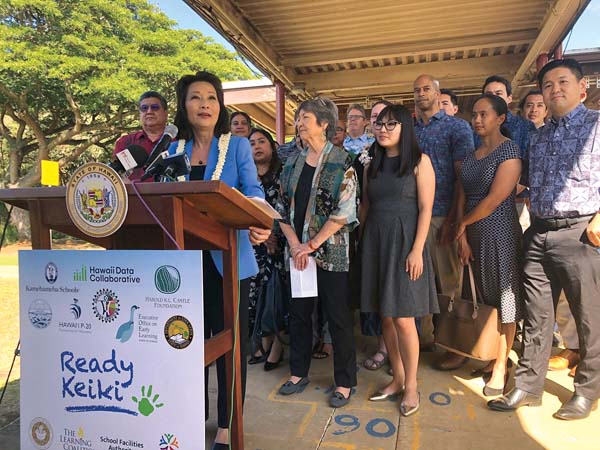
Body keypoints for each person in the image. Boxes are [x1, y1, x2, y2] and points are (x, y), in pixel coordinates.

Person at [488, 59, 600, 421]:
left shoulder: (597, 125)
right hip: (538, 232)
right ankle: (528, 387)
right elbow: (527, 184)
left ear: (581, 88)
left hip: (581, 232)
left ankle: (587, 391)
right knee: (537, 317)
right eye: (548, 85)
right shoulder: (538, 136)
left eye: (562, 82)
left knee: (589, 317)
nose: (555, 90)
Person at [167, 71, 271, 450]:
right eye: (196, 97)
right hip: (184, 264)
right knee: (187, 341)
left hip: (230, 261)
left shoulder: (238, 146)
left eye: (211, 97)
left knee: (231, 345)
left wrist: (260, 222)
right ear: (184, 106)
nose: (205, 104)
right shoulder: (173, 149)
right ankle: (193, 416)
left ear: (220, 105)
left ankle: (227, 424)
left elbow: (254, 192)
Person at [276, 96, 358, 408]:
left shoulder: (342, 160)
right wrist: (295, 245)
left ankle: (345, 382)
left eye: (305, 118)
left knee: (337, 317)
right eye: (298, 118)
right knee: (299, 314)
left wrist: (310, 245)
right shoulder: (292, 163)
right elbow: (281, 207)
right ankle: (298, 373)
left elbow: (345, 211)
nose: (299, 123)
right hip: (298, 253)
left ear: (324, 124)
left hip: (330, 253)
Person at [361, 104, 437, 417]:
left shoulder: (420, 162)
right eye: (379, 124)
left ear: (405, 128)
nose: (383, 129)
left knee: (404, 318)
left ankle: (412, 386)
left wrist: (417, 249)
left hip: (406, 243)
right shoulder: (370, 165)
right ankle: (397, 378)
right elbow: (366, 206)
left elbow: (426, 209)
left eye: (391, 124)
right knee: (386, 316)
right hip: (375, 242)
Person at [456, 93, 523, 396]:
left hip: (499, 233)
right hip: (472, 233)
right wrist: (462, 234)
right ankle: (487, 354)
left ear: (501, 118)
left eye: (484, 114)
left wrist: (462, 224)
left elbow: (494, 199)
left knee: (505, 300)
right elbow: (462, 193)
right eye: (475, 114)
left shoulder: (509, 150)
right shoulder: (473, 155)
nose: (478, 120)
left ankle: (501, 365)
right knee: (480, 298)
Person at [413, 74, 474, 367]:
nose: (421, 93)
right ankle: (422, 340)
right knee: (418, 281)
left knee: (449, 285)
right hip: (413, 217)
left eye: (427, 88)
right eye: (416, 90)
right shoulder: (409, 130)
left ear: (438, 94)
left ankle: (453, 345)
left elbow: (464, 176)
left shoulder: (457, 127)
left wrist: (455, 218)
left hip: (443, 215)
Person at [357, 99, 393, 371]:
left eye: (386, 119)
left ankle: (404, 357)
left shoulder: (414, 157)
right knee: (381, 297)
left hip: (402, 234)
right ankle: (384, 348)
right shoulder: (367, 157)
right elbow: (364, 201)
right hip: (374, 233)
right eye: (375, 119)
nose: (381, 125)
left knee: (402, 301)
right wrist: (359, 234)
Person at [247, 128, 287, 371]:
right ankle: (261, 339)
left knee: (277, 294)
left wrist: (273, 234)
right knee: (256, 294)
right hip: (254, 242)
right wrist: (262, 235)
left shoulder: (283, 174)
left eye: (262, 141)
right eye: (252, 143)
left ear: (272, 147)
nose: (257, 146)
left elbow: (287, 208)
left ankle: (277, 345)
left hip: (281, 242)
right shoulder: (247, 177)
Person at [113, 91, 168, 181]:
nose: (149, 111)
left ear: (166, 113)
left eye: (155, 107)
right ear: (140, 114)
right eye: (144, 108)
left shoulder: (179, 142)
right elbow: (117, 176)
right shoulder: (125, 142)